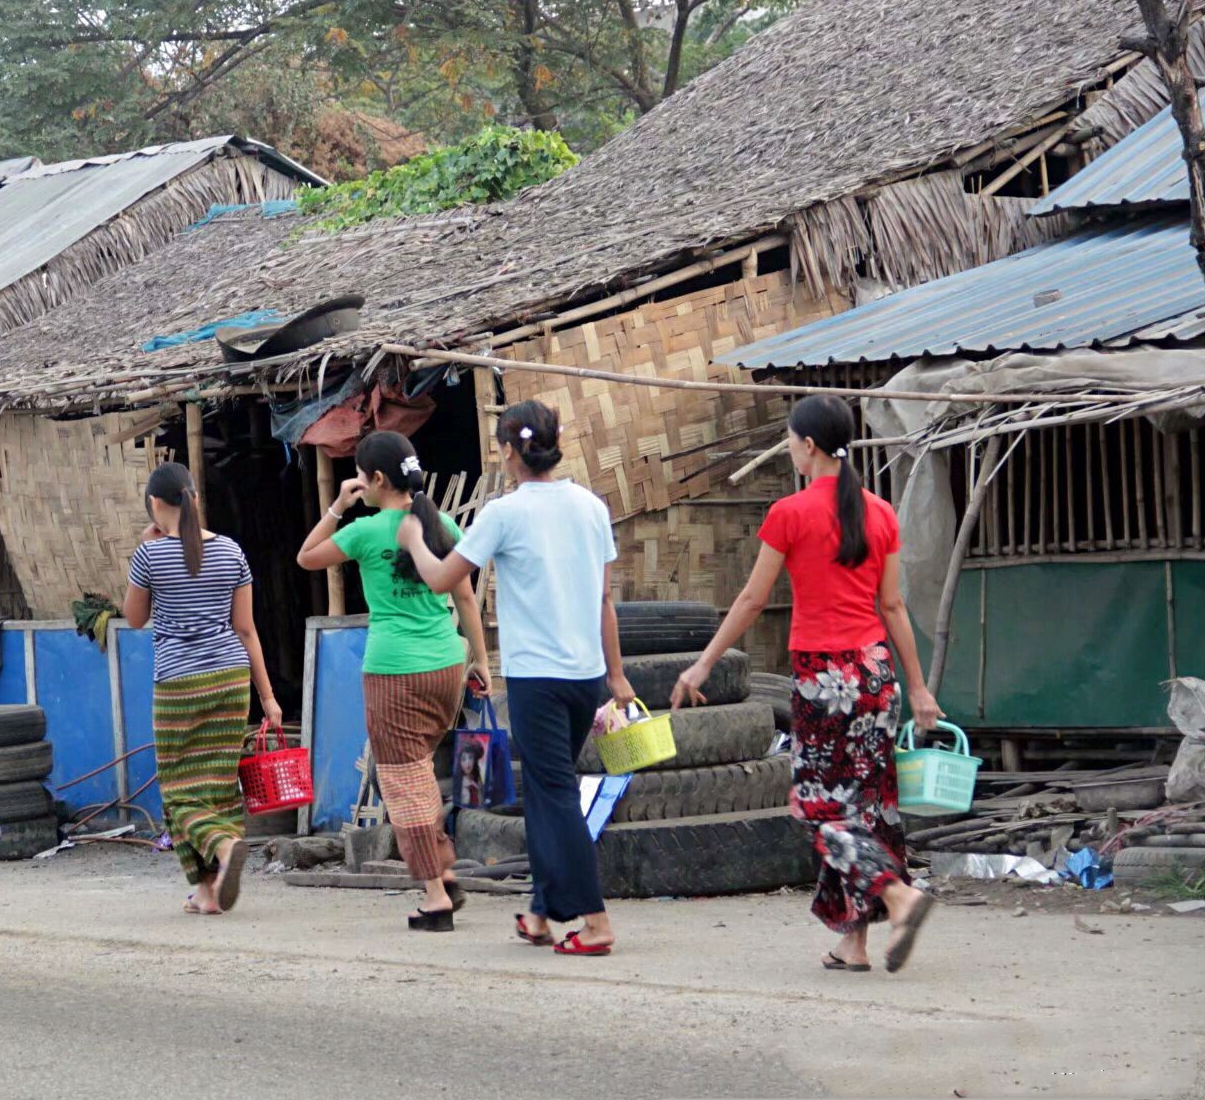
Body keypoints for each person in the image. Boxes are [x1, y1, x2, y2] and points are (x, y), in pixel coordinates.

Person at [661, 395, 941, 974]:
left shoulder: (789, 513)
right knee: (866, 808)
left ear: (808, 446)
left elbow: (751, 599)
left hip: (823, 680)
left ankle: (897, 893)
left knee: (817, 806)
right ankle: (854, 943)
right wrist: (918, 687)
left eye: (791, 439)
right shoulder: (879, 513)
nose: (790, 448)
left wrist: (703, 664)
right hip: (875, 676)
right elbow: (892, 606)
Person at [398, 401, 634, 956]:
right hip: (586, 676)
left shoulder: (505, 513)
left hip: (536, 679)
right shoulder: (589, 506)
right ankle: (539, 914)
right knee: (550, 792)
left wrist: (412, 539)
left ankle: (595, 921)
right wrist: (618, 676)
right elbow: (604, 599)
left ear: (508, 450)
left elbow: (439, 580)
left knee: (554, 795)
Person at [297, 432, 492, 931]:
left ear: (375, 480)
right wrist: (482, 661)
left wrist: (338, 506)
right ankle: (441, 865)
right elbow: (466, 599)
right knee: (420, 769)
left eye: (360, 475)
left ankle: (434, 894)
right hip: (447, 663)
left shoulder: (365, 532)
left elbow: (307, 556)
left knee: (403, 780)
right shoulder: (442, 522)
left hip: (395, 671)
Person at [123, 462, 282, 916]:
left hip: (179, 685)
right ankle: (207, 892)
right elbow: (247, 630)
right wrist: (268, 696)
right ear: (191, 498)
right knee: (218, 786)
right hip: (231, 680)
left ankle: (225, 847)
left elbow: (134, 619)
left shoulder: (149, 555)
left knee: (179, 791)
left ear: (156, 504)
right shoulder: (232, 551)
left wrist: (144, 550)